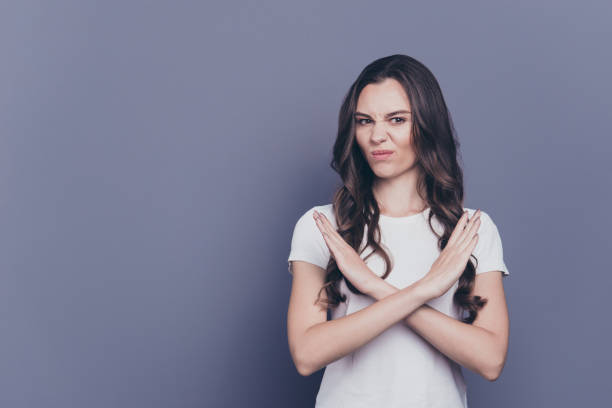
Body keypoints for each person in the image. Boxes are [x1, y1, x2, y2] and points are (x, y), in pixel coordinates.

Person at [286, 54, 510, 408]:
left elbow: (491, 359)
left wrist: (375, 286)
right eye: (364, 121)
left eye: (397, 119)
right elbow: (307, 353)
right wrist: (424, 290)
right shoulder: (322, 226)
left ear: (426, 125)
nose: (377, 135)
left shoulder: (469, 231)